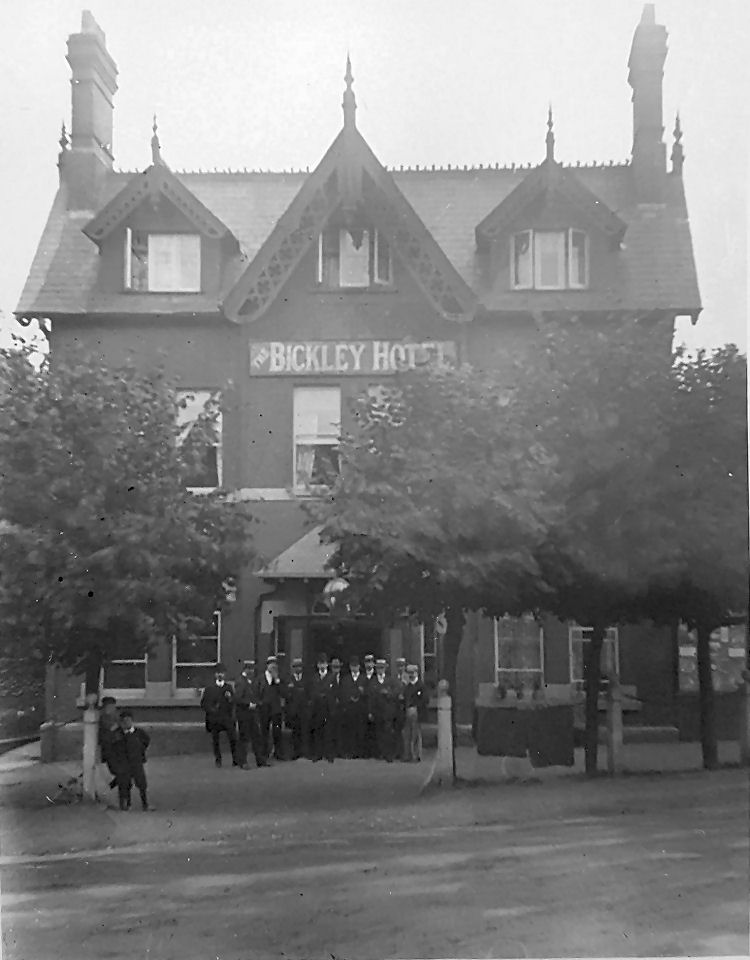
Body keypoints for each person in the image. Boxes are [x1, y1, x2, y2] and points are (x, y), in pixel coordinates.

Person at [111, 710, 152, 811]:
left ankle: (145, 804)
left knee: (141, 783)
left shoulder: (139, 733)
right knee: (124, 783)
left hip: (136, 761)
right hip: (124, 762)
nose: (126, 723)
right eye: (124, 721)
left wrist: (141, 751)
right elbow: (114, 747)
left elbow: (146, 742)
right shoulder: (118, 734)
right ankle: (126, 804)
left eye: (128, 720)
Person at [200, 663, 238, 768]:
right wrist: (211, 709)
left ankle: (235, 758)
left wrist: (230, 698)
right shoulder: (209, 689)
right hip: (214, 718)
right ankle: (218, 759)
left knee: (233, 738)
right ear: (215, 675)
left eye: (222, 673)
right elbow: (203, 704)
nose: (220, 675)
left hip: (226, 718)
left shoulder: (228, 687)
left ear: (225, 674)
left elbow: (234, 702)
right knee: (215, 740)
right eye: (218, 673)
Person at [234, 663, 267, 768]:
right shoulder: (240, 681)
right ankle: (242, 762)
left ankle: (260, 761)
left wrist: (257, 702)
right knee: (244, 738)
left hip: (252, 714)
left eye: (253, 669)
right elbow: (237, 698)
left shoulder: (250, 681)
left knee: (256, 737)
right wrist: (248, 704)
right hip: (243, 714)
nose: (252, 672)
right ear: (246, 669)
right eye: (250, 669)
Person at [369, 658, 403, 762]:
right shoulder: (372, 681)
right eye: (378, 668)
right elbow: (370, 697)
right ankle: (381, 753)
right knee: (379, 733)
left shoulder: (391, 680)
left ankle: (389, 755)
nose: (380, 670)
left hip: (389, 712)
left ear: (385, 669)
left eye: (382, 668)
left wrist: (388, 693)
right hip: (377, 711)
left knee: (388, 733)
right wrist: (370, 711)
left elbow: (397, 693)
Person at [255, 656, 285, 762]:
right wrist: (259, 703)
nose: (273, 666)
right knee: (264, 731)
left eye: (275, 663)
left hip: (276, 708)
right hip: (264, 708)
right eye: (271, 663)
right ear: (267, 665)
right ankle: (264, 753)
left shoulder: (279, 678)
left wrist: (277, 680)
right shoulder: (260, 678)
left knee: (277, 731)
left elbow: (283, 692)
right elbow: (256, 692)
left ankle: (278, 753)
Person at [340, 656, 367, 758]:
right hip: (349, 709)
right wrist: (349, 699)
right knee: (350, 732)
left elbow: (368, 693)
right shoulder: (346, 679)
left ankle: (360, 752)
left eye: (356, 666)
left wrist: (361, 694)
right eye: (352, 666)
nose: (354, 668)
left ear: (359, 666)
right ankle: (350, 752)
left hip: (360, 709)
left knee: (361, 731)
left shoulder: (364, 679)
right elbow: (343, 692)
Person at [308, 653, 332, 762]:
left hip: (328, 708)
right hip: (317, 709)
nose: (322, 666)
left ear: (327, 665)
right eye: (320, 664)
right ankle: (318, 754)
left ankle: (328, 754)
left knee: (328, 732)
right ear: (317, 665)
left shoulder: (331, 677)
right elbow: (312, 692)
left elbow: (335, 693)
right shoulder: (314, 678)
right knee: (317, 732)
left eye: (324, 663)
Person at [284, 658, 308, 760]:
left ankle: (304, 752)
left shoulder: (307, 679)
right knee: (295, 733)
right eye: (296, 667)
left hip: (304, 710)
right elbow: (286, 694)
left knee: (304, 731)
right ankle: (295, 752)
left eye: (299, 666)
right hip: (293, 710)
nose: (298, 668)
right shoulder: (289, 679)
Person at [402, 664, 426, 762]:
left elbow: (425, 700)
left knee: (416, 735)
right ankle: (408, 755)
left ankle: (417, 755)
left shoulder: (421, 686)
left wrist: (416, 707)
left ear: (417, 673)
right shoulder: (407, 687)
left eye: (413, 673)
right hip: (407, 712)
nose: (411, 675)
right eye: (409, 673)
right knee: (407, 735)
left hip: (417, 712)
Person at [98, 695, 121, 791]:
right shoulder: (103, 717)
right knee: (114, 768)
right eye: (109, 706)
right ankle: (111, 785)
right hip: (108, 745)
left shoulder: (117, 715)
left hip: (118, 745)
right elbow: (109, 728)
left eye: (112, 706)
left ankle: (113, 785)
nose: (111, 708)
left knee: (122, 769)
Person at [325, 656, 344, 760]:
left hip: (342, 709)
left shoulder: (344, 678)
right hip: (330, 709)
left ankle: (340, 751)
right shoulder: (328, 678)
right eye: (334, 667)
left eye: (337, 667)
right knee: (330, 732)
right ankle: (330, 753)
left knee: (340, 731)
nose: (336, 669)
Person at [362, 653, 378, 758]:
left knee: (375, 732)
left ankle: (375, 752)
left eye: (371, 662)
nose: (369, 664)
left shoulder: (377, 677)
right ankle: (366, 753)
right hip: (363, 708)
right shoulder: (362, 677)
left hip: (375, 708)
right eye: (367, 662)